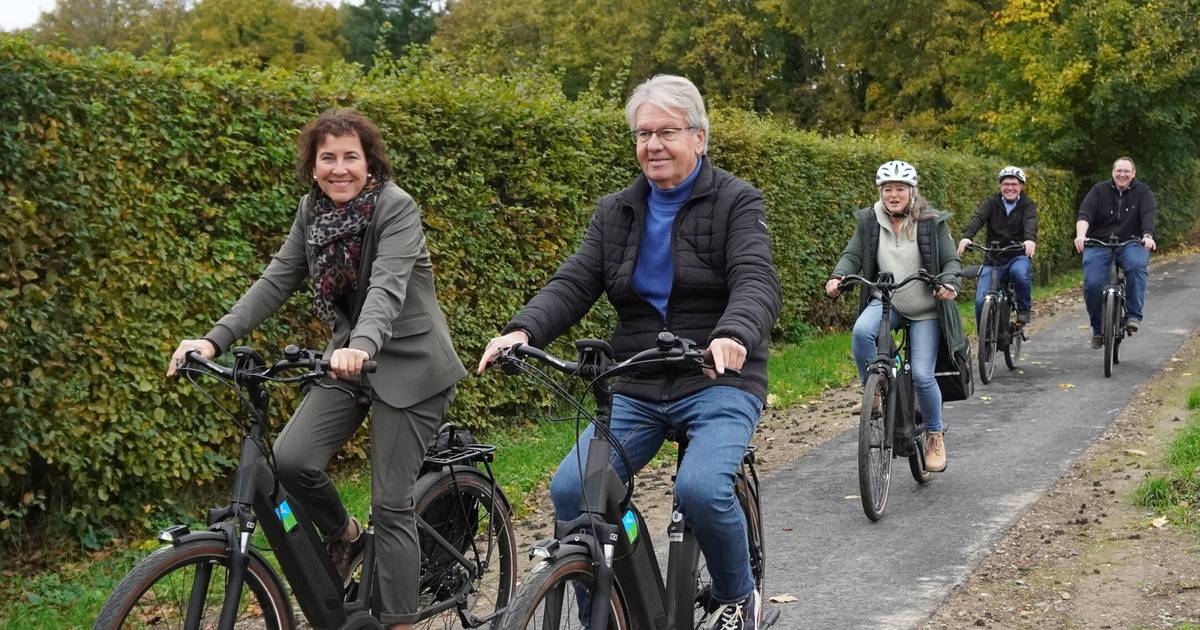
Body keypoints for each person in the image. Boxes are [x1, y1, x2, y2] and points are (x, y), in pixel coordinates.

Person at [477, 74, 781, 630]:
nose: (653, 145)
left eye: (667, 131)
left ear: (699, 137)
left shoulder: (737, 200)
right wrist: (523, 331)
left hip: (716, 375)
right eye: (643, 134)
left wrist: (734, 334)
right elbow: (574, 282)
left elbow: (755, 278)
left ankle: (740, 597)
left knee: (700, 488)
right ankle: (611, 610)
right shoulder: (616, 210)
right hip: (639, 380)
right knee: (574, 490)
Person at [166, 109, 466, 630]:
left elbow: (387, 286)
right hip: (349, 359)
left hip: (412, 366)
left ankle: (400, 623)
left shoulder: (396, 207)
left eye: (351, 156)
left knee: (390, 504)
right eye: (328, 157)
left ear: (370, 163)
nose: (339, 168)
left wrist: (362, 345)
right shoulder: (313, 211)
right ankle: (346, 536)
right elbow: (276, 280)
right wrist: (213, 340)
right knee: (290, 459)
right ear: (313, 165)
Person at [825, 160, 962, 473]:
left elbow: (951, 261)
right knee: (862, 332)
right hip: (887, 301)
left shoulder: (931, 221)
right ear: (881, 192)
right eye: (888, 189)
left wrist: (949, 283)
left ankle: (934, 434)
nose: (893, 195)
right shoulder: (869, 220)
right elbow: (852, 254)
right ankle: (873, 391)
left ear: (912, 191)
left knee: (923, 375)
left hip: (925, 310)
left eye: (900, 188)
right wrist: (838, 276)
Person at [1074, 156, 1157, 348]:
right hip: (1099, 243)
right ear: (1113, 173)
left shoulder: (1143, 192)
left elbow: (1148, 215)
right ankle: (1098, 329)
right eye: (1119, 171)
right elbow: (1085, 214)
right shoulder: (1098, 190)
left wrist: (1147, 236)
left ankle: (1133, 315)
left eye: (1126, 171)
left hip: (1131, 242)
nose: (1122, 174)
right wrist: (1081, 235)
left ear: (1133, 174)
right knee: (1092, 284)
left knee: (1137, 266)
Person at [957, 166, 1038, 326]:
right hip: (993, 259)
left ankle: (1023, 309)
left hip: (1017, 255)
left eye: (1014, 184)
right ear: (1000, 186)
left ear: (1021, 186)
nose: (1010, 188)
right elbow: (979, 218)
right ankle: (985, 338)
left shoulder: (1027, 204)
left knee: (1020, 273)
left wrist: (1029, 240)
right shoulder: (991, 202)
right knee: (981, 302)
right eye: (1006, 184)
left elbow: (1030, 222)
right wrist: (967, 237)